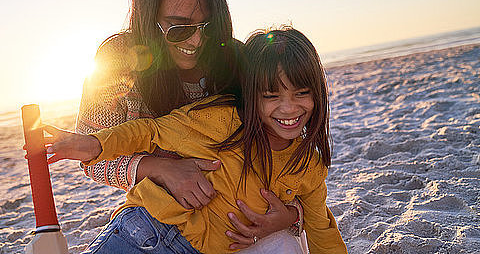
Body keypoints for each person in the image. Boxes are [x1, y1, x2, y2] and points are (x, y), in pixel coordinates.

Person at [68, 0, 303, 249]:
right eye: (179, 28)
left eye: (208, 26)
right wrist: (161, 169)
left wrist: (290, 216)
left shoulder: (235, 61)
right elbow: (93, 158)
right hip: (155, 224)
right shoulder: (118, 60)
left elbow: (289, 154)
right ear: (147, 18)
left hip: (236, 230)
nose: (196, 40)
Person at [46, 27, 347, 253]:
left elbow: (321, 230)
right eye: (271, 96)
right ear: (252, 97)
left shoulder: (309, 165)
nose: (289, 108)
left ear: (318, 93)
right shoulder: (221, 121)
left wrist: (292, 217)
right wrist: (95, 144)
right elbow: (151, 131)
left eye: (301, 94)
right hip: (149, 232)